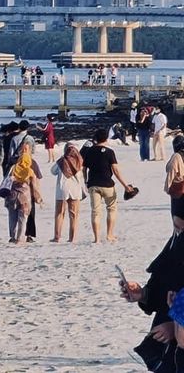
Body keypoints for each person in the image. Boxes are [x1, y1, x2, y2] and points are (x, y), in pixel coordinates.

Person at [119, 214, 184, 370]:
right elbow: (163, 285)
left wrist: (175, 327)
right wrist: (142, 294)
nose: (181, 233)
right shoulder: (175, 246)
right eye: (177, 227)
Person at [81, 127, 136, 244]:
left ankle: (96, 238)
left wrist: (86, 181)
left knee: (95, 211)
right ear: (106, 138)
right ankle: (109, 234)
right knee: (111, 208)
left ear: (95, 138)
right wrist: (125, 185)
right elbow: (115, 170)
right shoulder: (110, 152)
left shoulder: (89, 151)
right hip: (107, 184)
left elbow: (84, 169)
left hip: (93, 184)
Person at [2, 144, 42, 244]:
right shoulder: (30, 171)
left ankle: (12, 236)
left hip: (12, 196)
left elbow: (7, 181)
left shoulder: (13, 168)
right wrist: (38, 197)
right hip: (25, 198)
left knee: (12, 217)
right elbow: (34, 185)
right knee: (23, 218)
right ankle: (20, 238)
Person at [50, 143, 84, 243]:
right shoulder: (79, 161)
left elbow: (53, 171)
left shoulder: (62, 161)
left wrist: (61, 159)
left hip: (62, 189)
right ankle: (72, 237)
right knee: (74, 215)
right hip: (75, 190)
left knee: (59, 213)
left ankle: (57, 237)